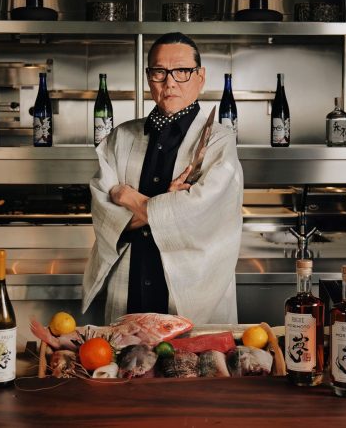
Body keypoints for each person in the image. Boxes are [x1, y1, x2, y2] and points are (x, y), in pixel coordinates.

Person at [82, 32, 244, 325]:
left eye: (182, 71)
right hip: (129, 287)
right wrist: (168, 205)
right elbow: (102, 213)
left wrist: (128, 197)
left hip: (191, 294)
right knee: (125, 353)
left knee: (192, 353)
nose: (170, 82)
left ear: (200, 77)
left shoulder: (219, 142)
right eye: (159, 71)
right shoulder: (121, 137)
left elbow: (202, 214)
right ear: (149, 77)